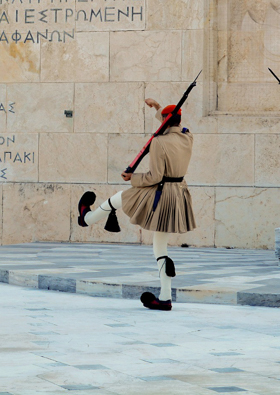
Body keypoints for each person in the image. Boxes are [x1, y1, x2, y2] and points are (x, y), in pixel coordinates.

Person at [78, 99, 196, 311]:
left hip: (161, 192)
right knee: (160, 246)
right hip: (178, 193)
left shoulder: (159, 142)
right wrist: (158, 107)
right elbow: (169, 124)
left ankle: (86, 218)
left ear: (164, 122)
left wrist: (132, 177)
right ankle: (165, 297)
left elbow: (155, 176)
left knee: (122, 196)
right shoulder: (188, 136)